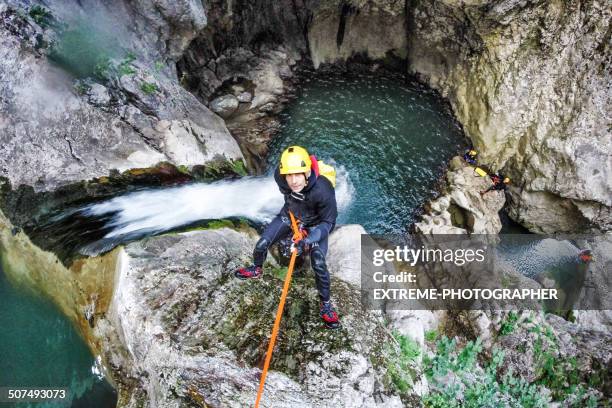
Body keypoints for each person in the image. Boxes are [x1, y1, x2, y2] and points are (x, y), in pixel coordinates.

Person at [235, 146, 341, 329]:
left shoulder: (323, 189)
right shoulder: (280, 177)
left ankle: (326, 305)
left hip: (317, 223)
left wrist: (306, 239)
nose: (293, 180)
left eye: (298, 175)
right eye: (289, 175)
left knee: (318, 261)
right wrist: (296, 224)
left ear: (307, 172)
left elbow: (328, 223)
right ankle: (256, 268)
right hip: (292, 215)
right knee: (261, 244)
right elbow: (290, 197)